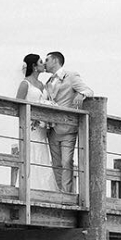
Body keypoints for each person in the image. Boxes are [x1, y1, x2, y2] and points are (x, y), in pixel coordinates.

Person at [43, 51, 94, 193]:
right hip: (52, 127)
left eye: (47, 60)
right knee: (56, 163)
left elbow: (89, 90)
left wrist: (80, 94)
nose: (44, 63)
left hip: (68, 127)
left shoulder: (70, 76)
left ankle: (67, 193)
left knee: (67, 161)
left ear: (55, 61)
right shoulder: (48, 82)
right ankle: (59, 191)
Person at [15, 54, 60, 192]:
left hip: (42, 128)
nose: (43, 64)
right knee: (31, 153)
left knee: (42, 155)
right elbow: (17, 106)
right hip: (31, 126)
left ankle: (44, 189)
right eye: (41, 62)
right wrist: (32, 119)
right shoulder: (25, 84)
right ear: (34, 66)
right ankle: (28, 188)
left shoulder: (42, 85)